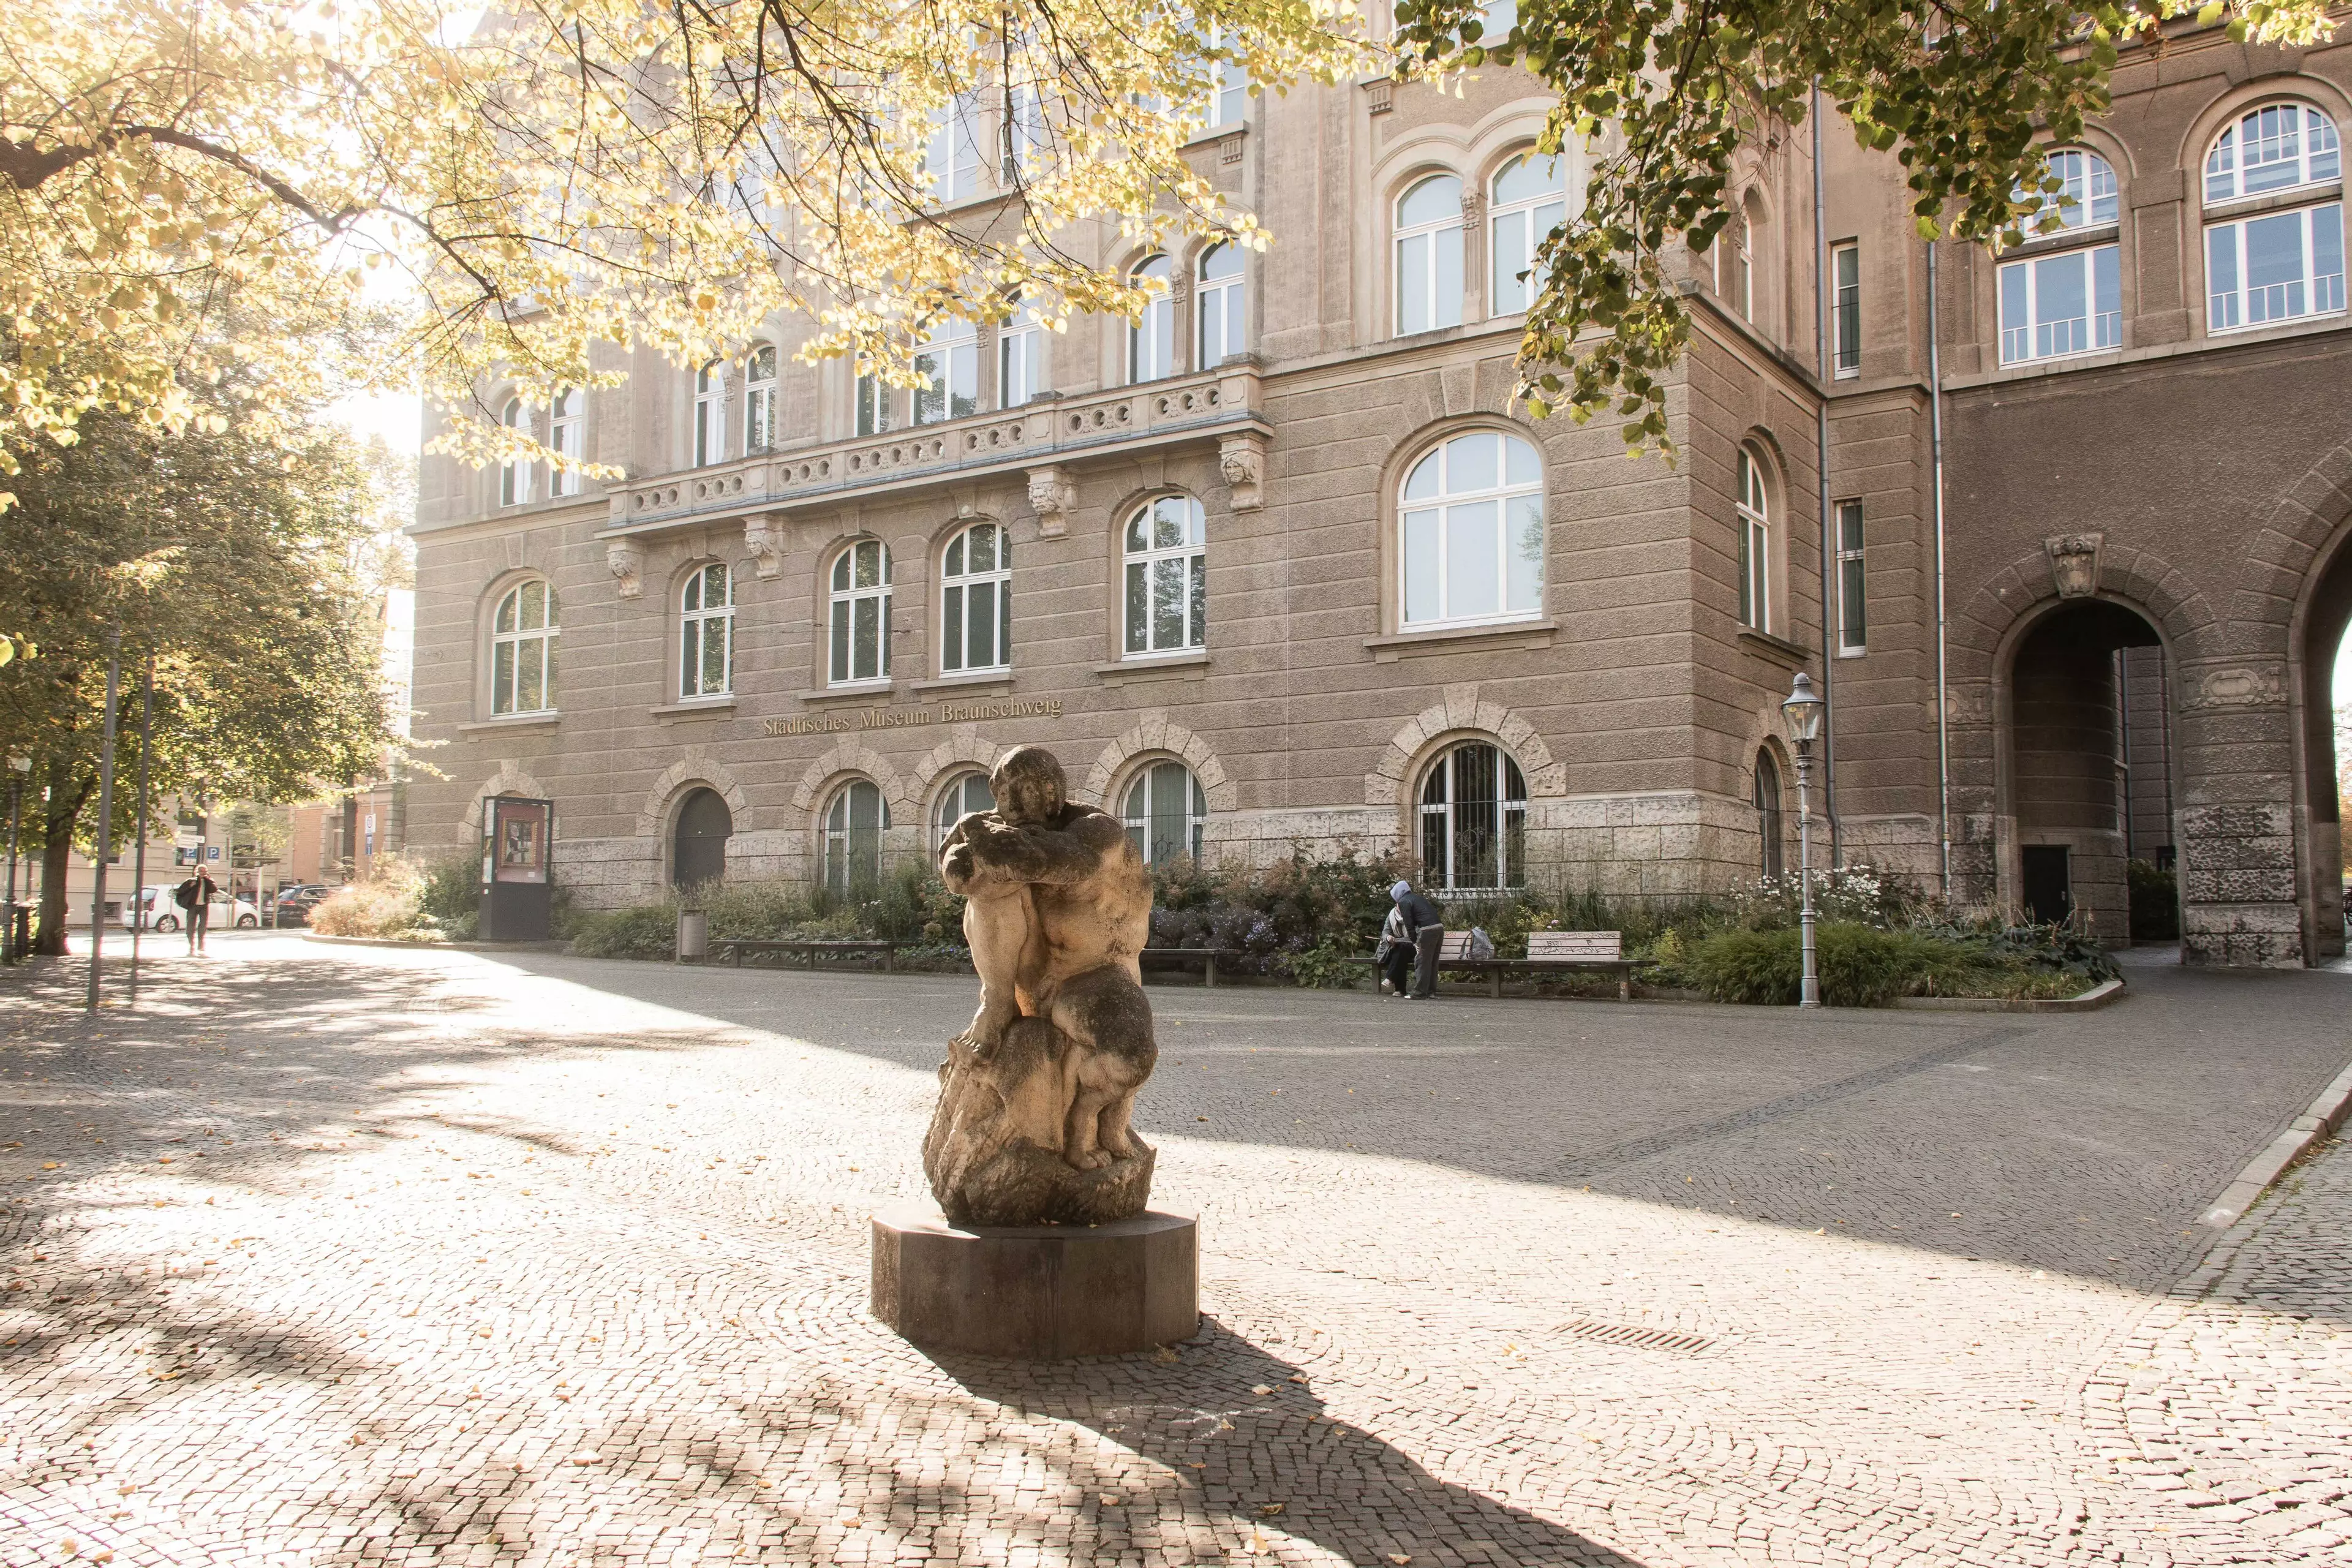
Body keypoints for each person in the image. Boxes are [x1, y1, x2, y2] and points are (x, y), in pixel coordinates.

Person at [1390, 878, 1444, 1000]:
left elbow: (1409, 924)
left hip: (1427, 930)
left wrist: (1414, 941)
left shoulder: (1404, 901)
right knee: (1433, 962)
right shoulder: (1418, 898)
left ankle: (1419, 993)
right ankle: (1431, 992)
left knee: (1422, 961)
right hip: (1439, 928)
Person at [174, 864, 218, 954]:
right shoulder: (191, 881)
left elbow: (213, 890)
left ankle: (201, 946)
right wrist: (190, 886)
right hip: (193, 906)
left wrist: (209, 880)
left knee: (202, 926)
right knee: (190, 927)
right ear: (198, 871)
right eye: (201, 871)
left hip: (204, 906)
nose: (203, 873)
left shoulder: (208, 881)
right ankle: (191, 945)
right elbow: (180, 892)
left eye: (205, 871)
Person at [1374, 903, 1412, 995]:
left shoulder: (1413, 916)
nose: (1401, 910)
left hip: (1413, 947)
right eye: (1399, 908)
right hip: (1398, 948)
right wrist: (1388, 937)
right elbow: (1385, 932)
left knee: (1402, 950)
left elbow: (1415, 935)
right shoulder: (1392, 915)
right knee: (1400, 953)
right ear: (1396, 907)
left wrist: (1399, 940)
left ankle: (1393, 981)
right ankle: (1399, 989)